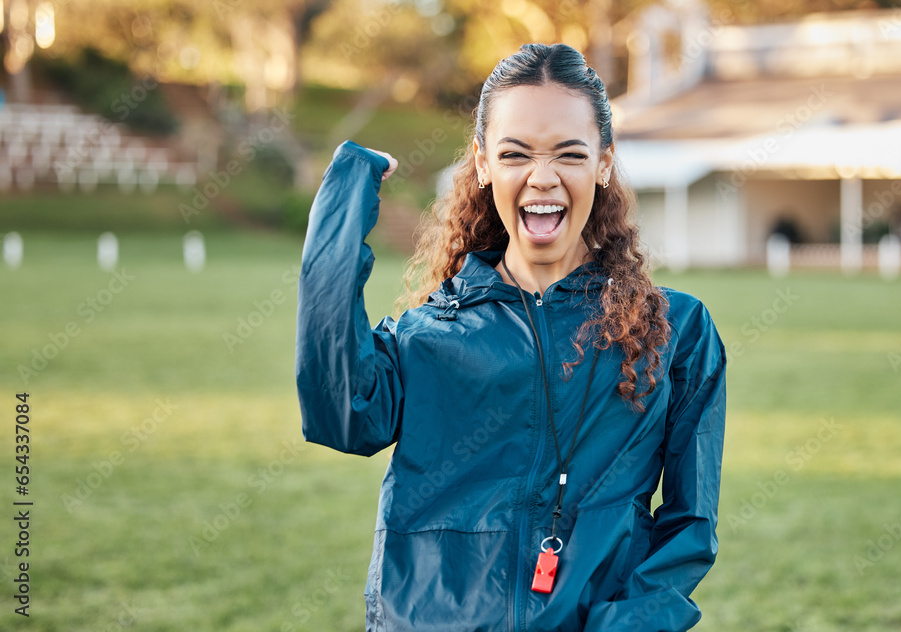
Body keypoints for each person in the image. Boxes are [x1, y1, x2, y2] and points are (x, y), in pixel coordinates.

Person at [296, 43, 726, 632]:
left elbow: (689, 527)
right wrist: (345, 201)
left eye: (569, 155)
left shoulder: (674, 333)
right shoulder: (428, 337)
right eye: (515, 153)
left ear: (603, 163)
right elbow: (337, 414)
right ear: (482, 163)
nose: (541, 177)